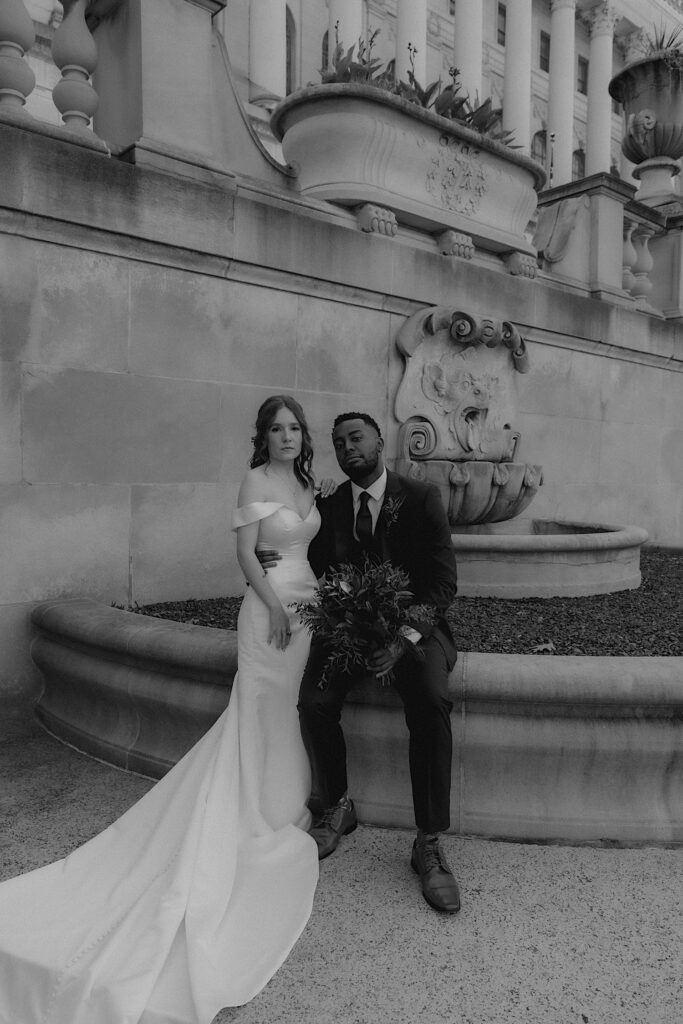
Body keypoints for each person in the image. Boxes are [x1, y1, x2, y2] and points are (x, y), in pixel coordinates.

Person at [0, 394, 328, 1024]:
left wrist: (310, 603)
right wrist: (280, 608)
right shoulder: (256, 479)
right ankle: (244, 809)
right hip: (270, 613)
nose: (287, 436)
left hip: (307, 607)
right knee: (257, 707)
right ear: (262, 436)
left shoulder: (307, 481)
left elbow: (308, 543)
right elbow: (244, 557)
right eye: (277, 428)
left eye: (294, 428)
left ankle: (277, 801)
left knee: (282, 709)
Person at [259, 411, 460, 914]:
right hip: (348, 629)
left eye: (357, 438)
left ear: (378, 442)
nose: (348, 448)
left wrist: (404, 638)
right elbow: (300, 553)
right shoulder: (327, 505)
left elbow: (442, 583)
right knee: (313, 701)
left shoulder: (421, 498)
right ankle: (338, 805)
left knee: (432, 700)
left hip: (414, 630)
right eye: (339, 442)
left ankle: (428, 842)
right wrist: (268, 558)